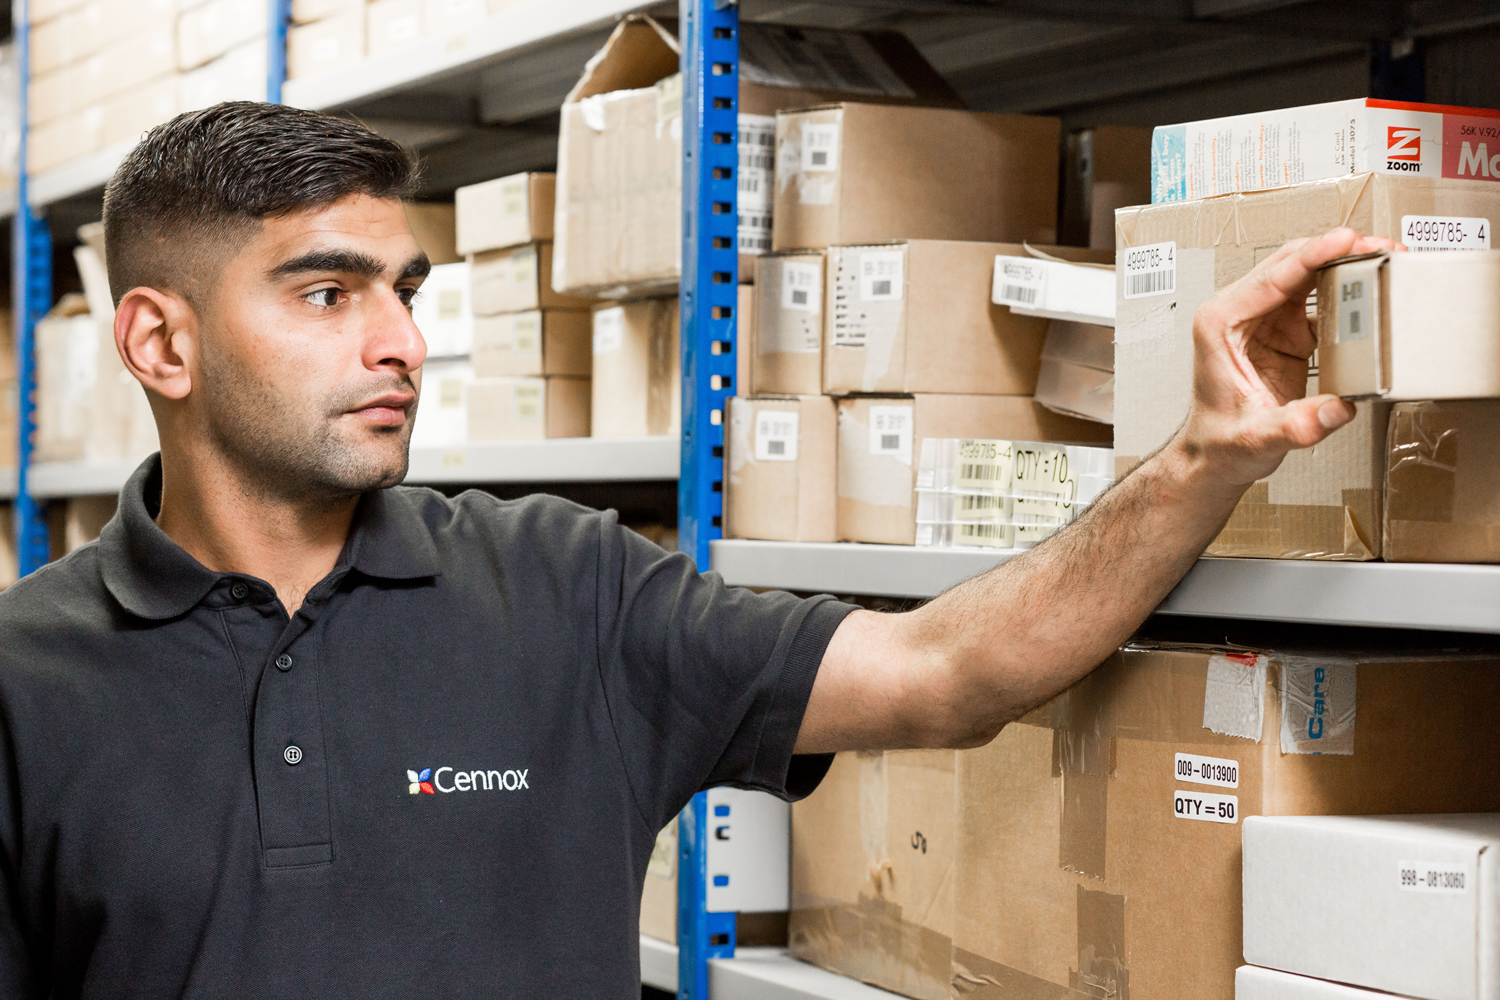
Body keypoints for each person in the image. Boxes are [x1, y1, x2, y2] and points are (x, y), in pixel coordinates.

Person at [0, 102, 1393, 999]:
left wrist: (1204, 457)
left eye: (405, 293)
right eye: (326, 294)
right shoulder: (25, 679)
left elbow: (945, 673)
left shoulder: (566, 588)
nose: (401, 343)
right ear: (160, 342)